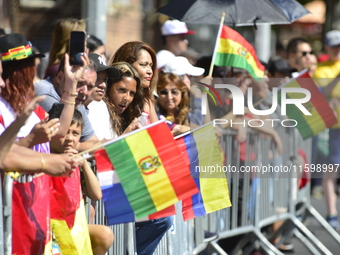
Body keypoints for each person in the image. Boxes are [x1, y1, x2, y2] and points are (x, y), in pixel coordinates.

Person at [104, 62, 172, 255]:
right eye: (121, 90)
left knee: (164, 217)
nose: (126, 98)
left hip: (123, 185)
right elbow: (101, 148)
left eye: (131, 93)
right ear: (109, 86)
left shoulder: (126, 114)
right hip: (107, 192)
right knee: (161, 218)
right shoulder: (100, 108)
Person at [51, 109, 114, 255]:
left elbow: (96, 194)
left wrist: (84, 163)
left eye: (75, 133)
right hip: (52, 227)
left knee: (104, 234)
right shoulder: (45, 156)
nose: (70, 138)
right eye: (66, 131)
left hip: (73, 227)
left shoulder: (77, 162)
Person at [35, 52, 100, 152]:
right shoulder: (45, 94)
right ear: (60, 78)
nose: (84, 92)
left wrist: (121, 139)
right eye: (78, 83)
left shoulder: (77, 98)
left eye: (90, 87)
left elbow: (93, 141)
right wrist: (80, 146)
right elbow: (61, 143)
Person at [313, 30, 340, 230]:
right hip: (333, 129)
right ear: (327, 48)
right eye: (334, 46)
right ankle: (332, 213)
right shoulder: (321, 70)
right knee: (331, 172)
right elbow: (324, 94)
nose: (338, 50)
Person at [110, 41, 159, 124]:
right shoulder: (105, 101)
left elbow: (158, 133)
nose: (150, 71)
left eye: (150, 65)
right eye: (143, 64)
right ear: (127, 65)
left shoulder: (146, 101)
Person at [86, 53, 120, 141]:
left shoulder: (101, 105)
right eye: (97, 78)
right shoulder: (73, 106)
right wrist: (127, 135)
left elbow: (109, 140)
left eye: (105, 79)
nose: (103, 85)